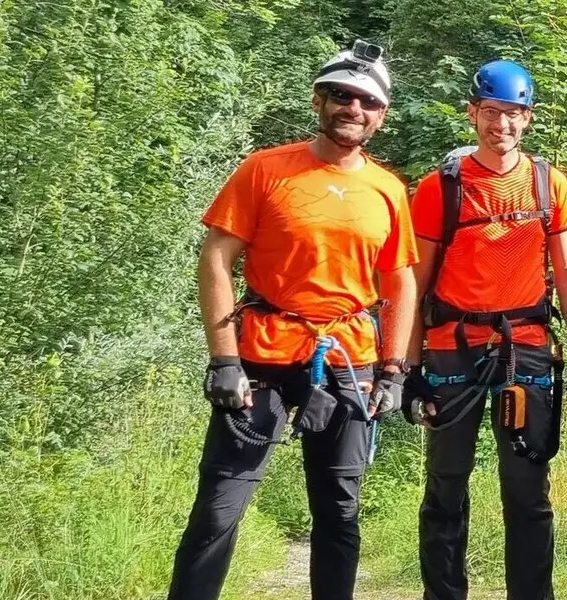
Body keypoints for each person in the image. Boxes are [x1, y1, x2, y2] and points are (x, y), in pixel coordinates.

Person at [175, 39, 413, 600]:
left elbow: (400, 281)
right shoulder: (265, 169)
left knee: (339, 512)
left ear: (381, 116)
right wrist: (224, 358)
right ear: (318, 100)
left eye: (367, 101)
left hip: (349, 360)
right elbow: (216, 258)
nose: (353, 108)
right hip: (262, 356)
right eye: (341, 95)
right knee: (218, 508)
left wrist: (395, 369)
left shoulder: (388, 189)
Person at [404, 59, 567, 600]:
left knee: (527, 488)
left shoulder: (547, 183)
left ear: (528, 117)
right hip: (452, 350)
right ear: (473, 113)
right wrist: (408, 367)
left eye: (513, 113)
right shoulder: (440, 187)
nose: (502, 125)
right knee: (446, 484)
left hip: (526, 349)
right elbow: (414, 282)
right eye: (491, 112)